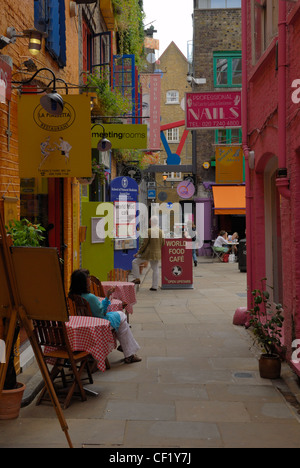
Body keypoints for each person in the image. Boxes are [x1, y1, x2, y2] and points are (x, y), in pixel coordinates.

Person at [68, 269, 142, 364]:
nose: (90, 279)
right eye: (88, 277)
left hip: (85, 322)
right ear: (83, 282)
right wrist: (107, 298)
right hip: (98, 323)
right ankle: (129, 354)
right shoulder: (90, 297)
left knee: (120, 320)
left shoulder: (73, 296)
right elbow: (101, 313)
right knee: (122, 316)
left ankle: (126, 348)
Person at [131, 216, 165, 291]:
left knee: (135, 262)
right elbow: (163, 243)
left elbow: (144, 244)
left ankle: (137, 278)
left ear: (151, 222)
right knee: (155, 269)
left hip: (148, 253)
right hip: (157, 253)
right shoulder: (161, 231)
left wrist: (138, 253)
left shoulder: (148, 231)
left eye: (150, 221)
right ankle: (155, 286)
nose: (149, 222)